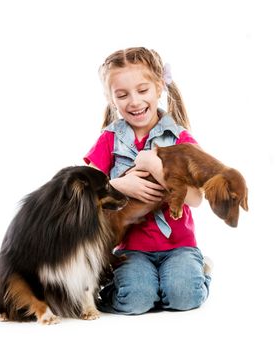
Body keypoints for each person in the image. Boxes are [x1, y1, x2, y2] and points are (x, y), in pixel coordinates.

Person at [84, 47, 212, 315]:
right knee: (136, 300)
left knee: (184, 296)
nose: (134, 102)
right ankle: (131, 286)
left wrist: (158, 168)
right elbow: (87, 194)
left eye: (143, 91)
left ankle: (197, 271)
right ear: (111, 99)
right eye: (122, 95)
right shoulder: (109, 139)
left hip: (179, 245)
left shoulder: (180, 139)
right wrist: (118, 185)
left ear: (158, 87)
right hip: (131, 247)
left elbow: (197, 198)